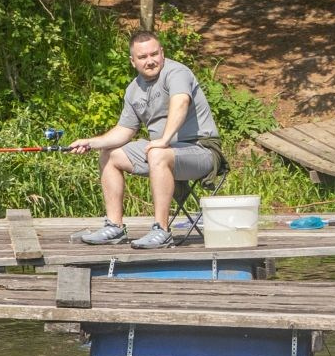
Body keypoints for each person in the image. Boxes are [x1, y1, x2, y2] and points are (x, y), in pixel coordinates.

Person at [68, 29, 225, 249]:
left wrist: (164, 140)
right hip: (162, 152)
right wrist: (90, 142)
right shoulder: (133, 90)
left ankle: (162, 230)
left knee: (157, 152)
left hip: (201, 150)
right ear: (133, 61)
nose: (150, 61)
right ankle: (114, 227)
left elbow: (180, 103)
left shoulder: (177, 72)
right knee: (110, 155)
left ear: (162, 52)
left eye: (154, 54)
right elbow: (124, 130)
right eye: (143, 57)